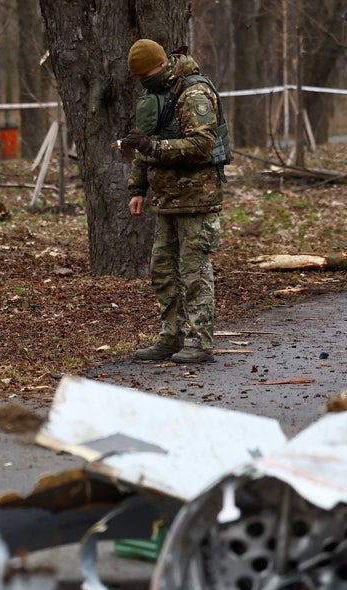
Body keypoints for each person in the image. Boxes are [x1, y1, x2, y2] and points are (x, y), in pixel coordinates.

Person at [120, 38, 224, 364]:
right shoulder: (156, 96)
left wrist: (154, 147)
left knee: (194, 273)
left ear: (163, 64)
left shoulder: (194, 94)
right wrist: (137, 189)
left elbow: (201, 145)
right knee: (163, 272)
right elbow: (142, 144)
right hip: (165, 199)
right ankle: (171, 335)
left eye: (148, 73)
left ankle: (200, 341)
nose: (144, 80)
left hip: (196, 199)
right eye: (140, 77)